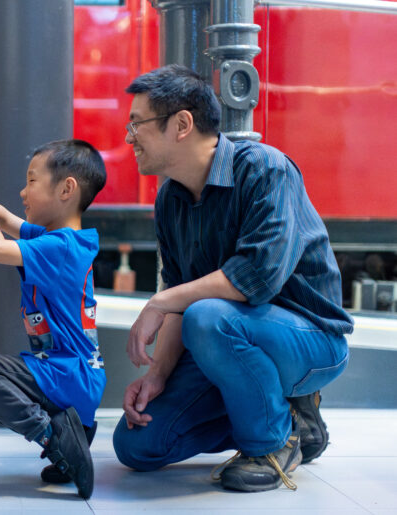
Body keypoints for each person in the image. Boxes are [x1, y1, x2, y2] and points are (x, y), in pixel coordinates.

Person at [111, 65, 353, 492]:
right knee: (138, 445)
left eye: (137, 123)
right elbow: (179, 296)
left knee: (207, 316)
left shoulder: (265, 169)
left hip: (311, 339)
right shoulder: (170, 199)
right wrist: (158, 375)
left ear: (182, 124)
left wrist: (160, 302)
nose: (129, 137)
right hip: (231, 338)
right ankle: (281, 413)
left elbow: (255, 279)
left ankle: (272, 442)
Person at [0, 139, 107, 500]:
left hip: (67, 374)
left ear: (66, 189)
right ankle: (70, 434)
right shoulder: (62, 239)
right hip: (76, 381)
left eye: (32, 181)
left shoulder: (59, 248)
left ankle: (53, 436)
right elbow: (8, 221)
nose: (23, 192)